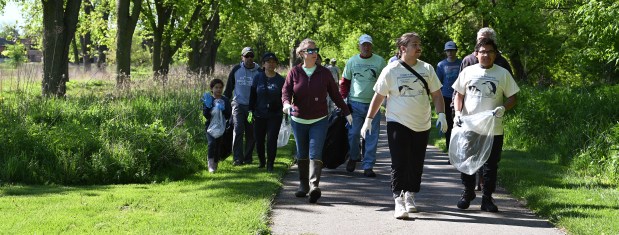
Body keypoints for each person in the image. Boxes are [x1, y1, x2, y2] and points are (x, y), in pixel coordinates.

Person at [360, 32, 448, 219]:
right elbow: (379, 96)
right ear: (402, 49)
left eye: (419, 44)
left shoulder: (427, 68)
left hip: (422, 123)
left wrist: (441, 114)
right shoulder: (391, 70)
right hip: (397, 122)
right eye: (414, 44)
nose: (419, 48)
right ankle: (398, 199)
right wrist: (368, 119)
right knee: (400, 161)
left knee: (416, 162)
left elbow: (437, 94)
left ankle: (410, 195)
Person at [452, 38, 519, 213]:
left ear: (495, 55)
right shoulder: (467, 72)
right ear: (476, 54)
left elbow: (513, 97)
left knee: (490, 165)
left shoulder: (502, 74)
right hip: (470, 126)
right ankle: (467, 193)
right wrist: (458, 113)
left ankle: (487, 198)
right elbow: (458, 95)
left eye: (490, 52)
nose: (486, 55)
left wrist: (503, 108)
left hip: (493, 127)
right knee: (467, 160)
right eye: (482, 52)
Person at [282, 38, 352, 203]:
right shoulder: (294, 72)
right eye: (310, 50)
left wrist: (346, 111)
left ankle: (314, 186)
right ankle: (303, 185)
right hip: (298, 120)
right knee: (302, 153)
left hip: (319, 119)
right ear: (302, 54)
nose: (315, 53)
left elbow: (335, 94)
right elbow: (286, 91)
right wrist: (285, 103)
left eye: (316, 50)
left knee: (315, 152)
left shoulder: (324, 73)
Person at [340, 34, 387, 177]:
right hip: (355, 104)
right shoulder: (352, 61)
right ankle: (354, 157)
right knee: (353, 134)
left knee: (371, 136)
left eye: (368, 45)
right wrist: (343, 100)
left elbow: (385, 82)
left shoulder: (379, 61)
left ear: (371, 46)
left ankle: (368, 166)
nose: (366, 47)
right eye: (363, 45)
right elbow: (345, 82)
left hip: (374, 105)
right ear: (359, 46)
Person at [249, 52, 285, 172]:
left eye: (273, 62)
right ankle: (262, 161)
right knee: (259, 140)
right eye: (268, 62)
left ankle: (270, 164)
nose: (271, 64)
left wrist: (284, 108)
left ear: (276, 64)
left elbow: (285, 96)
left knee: (271, 139)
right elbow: (253, 95)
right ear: (263, 64)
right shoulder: (257, 77)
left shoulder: (280, 80)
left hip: (275, 115)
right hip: (259, 114)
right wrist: (250, 111)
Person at [224, 47, 261, 166]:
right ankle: (237, 158)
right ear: (242, 58)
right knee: (238, 130)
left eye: (251, 56)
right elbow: (229, 88)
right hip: (238, 105)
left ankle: (248, 157)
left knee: (251, 133)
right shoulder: (236, 69)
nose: (249, 58)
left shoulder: (259, 71)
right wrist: (222, 103)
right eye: (246, 56)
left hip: (252, 108)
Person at [436, 41, 462, 160]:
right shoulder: (441, 65)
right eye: (448, 50)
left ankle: (460, 152)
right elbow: (438, 84)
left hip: (460, 97)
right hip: (446, 98)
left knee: (460, 124)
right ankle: (450, 153)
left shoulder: (461, 63)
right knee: (449, 126)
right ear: (445, 52)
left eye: (452, 50)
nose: (450, 52)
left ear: (456, 51)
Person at [203, 78, 232, 173]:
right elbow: (206, 115)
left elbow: (228, 115)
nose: (218, 89)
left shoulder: (225, 100)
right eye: (216, 87)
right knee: (212, 144)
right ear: (212, 89)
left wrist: (223, 109)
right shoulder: (209, 99)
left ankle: (215, 164)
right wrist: (207, 106)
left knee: (218, 146)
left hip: (221, 127)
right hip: (210, 127)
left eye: (220, 87)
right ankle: (210, 165)